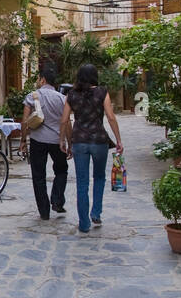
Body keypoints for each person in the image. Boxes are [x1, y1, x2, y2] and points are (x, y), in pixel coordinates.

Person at [60, 63, 123, 233]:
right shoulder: (102, 92)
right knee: (99, 177)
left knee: (82, 182)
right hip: (99, 141)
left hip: (79, 141)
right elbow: (110, 117)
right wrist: (118, 140)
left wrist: (63, 141)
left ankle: (84, 223)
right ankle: (96, 212)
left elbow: (64, 120)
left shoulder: (71, 95)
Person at [20, 62, 68, 220]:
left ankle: (44, 211)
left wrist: (22, 140)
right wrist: (69, 142)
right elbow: (67, 122)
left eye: (39, 79)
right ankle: (57, 199)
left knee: (38, 175)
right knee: (61, 171)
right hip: (56, 140)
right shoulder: (62, 98)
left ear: (42, 80)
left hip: (37, 140)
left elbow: (25, 120)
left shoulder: (32, 96)